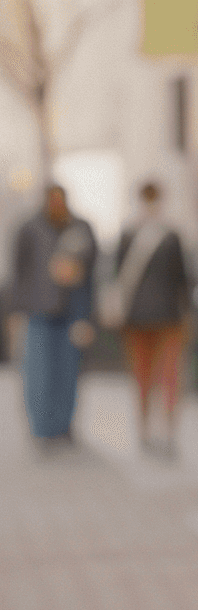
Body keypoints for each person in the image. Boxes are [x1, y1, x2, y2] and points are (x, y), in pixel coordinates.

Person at [13, 185, 99, 446]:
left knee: (68, 372)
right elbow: (19, 272)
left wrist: (88, 316)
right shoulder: (29, 228)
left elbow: (91, 273)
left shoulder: (81, 228)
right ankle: (42, 427)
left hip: (73, 311)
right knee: (39, 373)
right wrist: (16, 311)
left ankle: (64, 425)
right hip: (39, 311)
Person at [111, 181, 193, 454]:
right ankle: (165, 430)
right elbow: (182, 279)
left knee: (145, 375)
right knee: (166, 375)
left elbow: (119, 277)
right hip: (167, 315)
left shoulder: (130, 234)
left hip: (139, 316)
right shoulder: (169, 235)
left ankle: (147, 429)